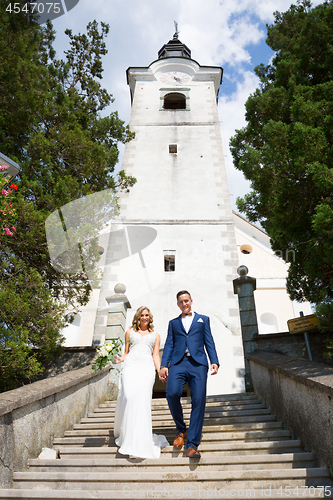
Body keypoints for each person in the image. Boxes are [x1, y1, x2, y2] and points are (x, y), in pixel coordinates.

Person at [159, 290, 219, 458]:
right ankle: (181, 429)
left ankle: (192, 445)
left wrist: (214, 360)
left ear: (191, 301)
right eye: (181, 302)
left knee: (199, 400)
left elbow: (209, 341)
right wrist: (164, 365)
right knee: (171, 394)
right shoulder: (173, 323)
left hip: (198, 363)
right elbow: (169, 344)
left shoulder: (203, 319)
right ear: (178, 304)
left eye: (186, 301)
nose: (184, 304)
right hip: (178, 363)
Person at [113, 306, 169, 459]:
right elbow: (125, 353)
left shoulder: (156, 336)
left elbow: (156, 356)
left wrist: (159, 370)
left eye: (147, 315)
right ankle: (127, 437)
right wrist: (118, 359)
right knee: (129, 397)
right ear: (137, 317)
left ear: (150, 318)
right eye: (142, 315)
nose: (145, 317)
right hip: (130, 367)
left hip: (146, 369)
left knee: (142, 403)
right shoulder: (129, 332)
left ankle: (137, 442)